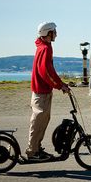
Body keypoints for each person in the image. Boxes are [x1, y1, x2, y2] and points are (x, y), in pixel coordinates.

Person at [27, 22, 70, 161]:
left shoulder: (45, 47)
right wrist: (59, 86)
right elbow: (45, 72)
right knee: (39, 121)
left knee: (43, 121)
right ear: (48, 33)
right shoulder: (45, 48)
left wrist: (61, 83)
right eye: (54, 31)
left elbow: (51, 71)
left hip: (43, 91)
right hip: (41, 91)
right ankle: (32, 152)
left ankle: (37, 149)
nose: (56, 34)